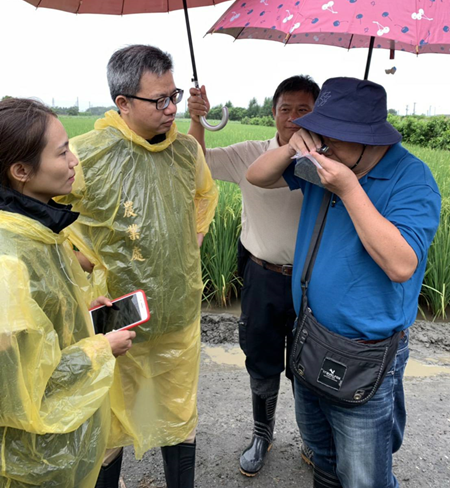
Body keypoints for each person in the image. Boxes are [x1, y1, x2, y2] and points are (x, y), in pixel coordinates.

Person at [246, 77, 441, 488]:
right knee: (323, 459)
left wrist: (349, 189)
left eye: (332, 138)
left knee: (363, 477)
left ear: (369, 139)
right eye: (319, 135)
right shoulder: (324, 164)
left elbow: (401, 264)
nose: (322, 146)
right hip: (309, 335)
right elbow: (258, 176)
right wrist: (289, 148)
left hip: (364, 354)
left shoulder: (412, 180)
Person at [58, 45, 218, 488]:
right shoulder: (85, 155)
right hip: (117, 313)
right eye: (159, 100)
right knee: (111, 422)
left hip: (176, 308)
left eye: (175, 96)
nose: (171, 109)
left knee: (177, 412)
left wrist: (193, 237)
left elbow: (205, 195)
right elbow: (45, 222)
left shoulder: (186, 151)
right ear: (123, 102)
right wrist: (80, 260)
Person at [187, 76, 319, 476]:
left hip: (314, 283)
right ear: (273, 113)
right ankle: (262, 434)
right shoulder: (250, 154)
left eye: (304, 110)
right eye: (286, 109)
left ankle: (313, 440)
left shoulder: (331, 160)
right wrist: (196, 119)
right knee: (261, 360)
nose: (293, 118)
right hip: (262, 275)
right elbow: (198, 165)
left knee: (309, 365)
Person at [0, 98, 134, 488]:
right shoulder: (10, 258)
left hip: (66, 439)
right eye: (62, 152)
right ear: (21, 170)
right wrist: (100, 348)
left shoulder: (41, 226)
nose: (74, 160)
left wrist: (81, 314)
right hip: (32, 459)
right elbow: (19, 388)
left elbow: (41, 322)